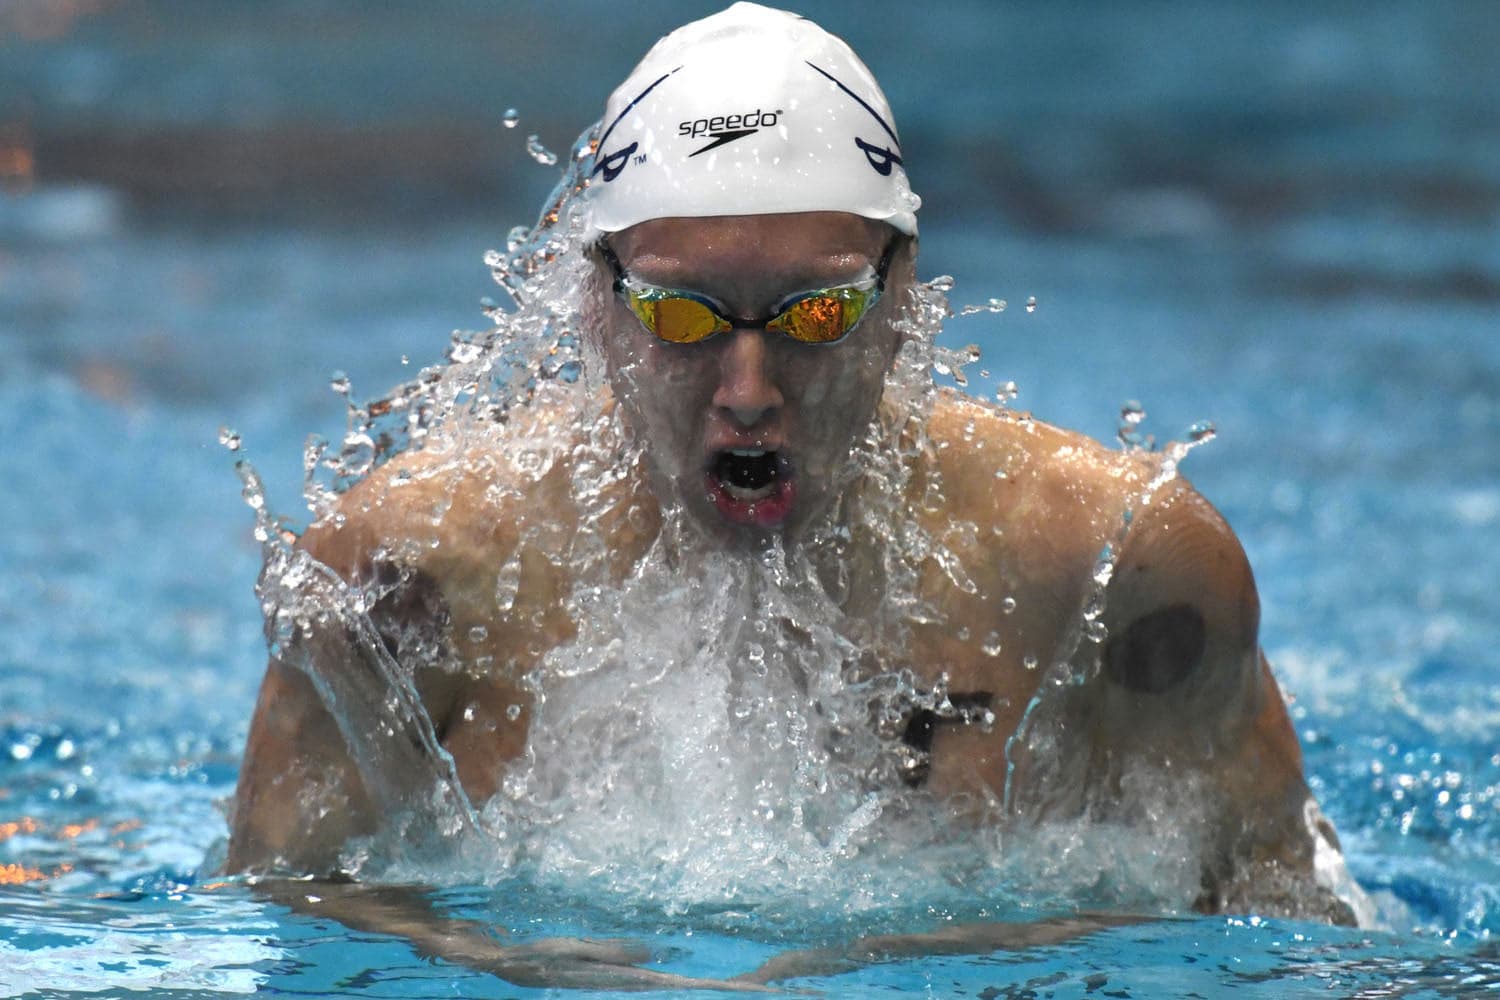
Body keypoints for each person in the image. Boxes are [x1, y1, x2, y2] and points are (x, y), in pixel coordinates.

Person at [227, 1, 1364, 976]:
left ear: (902, 293)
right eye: (680, 315)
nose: (750, 388)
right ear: (595, 303)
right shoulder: (401, 582)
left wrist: (944, 958)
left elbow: (1283, 939)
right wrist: (526, 969)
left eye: (819, 313)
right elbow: (280, 918)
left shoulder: (1114, 570)